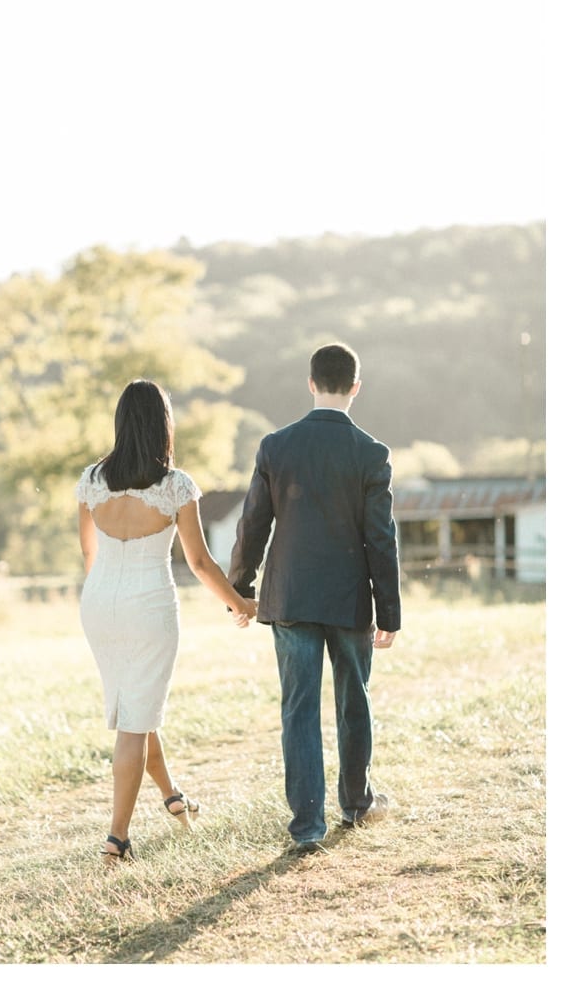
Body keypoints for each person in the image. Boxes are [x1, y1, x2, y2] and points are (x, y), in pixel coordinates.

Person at [229, 342, 401, 855]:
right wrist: (389, 610)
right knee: (354, 701)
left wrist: (241, 587)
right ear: (355, 387)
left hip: (292, 597)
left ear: (310, 384)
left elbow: (253, 524)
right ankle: (356, 803)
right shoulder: (371, 453)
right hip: (350, 601)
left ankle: (307, 827)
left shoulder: (276, 446)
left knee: (299, 709)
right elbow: (381, 538)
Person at [76, 380, 257, 866]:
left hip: (98, 604)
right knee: (135, 721)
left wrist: (105, 595)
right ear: (163, 425)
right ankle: (117, 840)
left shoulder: (92, 479)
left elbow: (88, 552)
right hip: (149, 604)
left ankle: (174, 796)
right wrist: (239, 603)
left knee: (137, 708)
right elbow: (199, 562)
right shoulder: (175, 485)